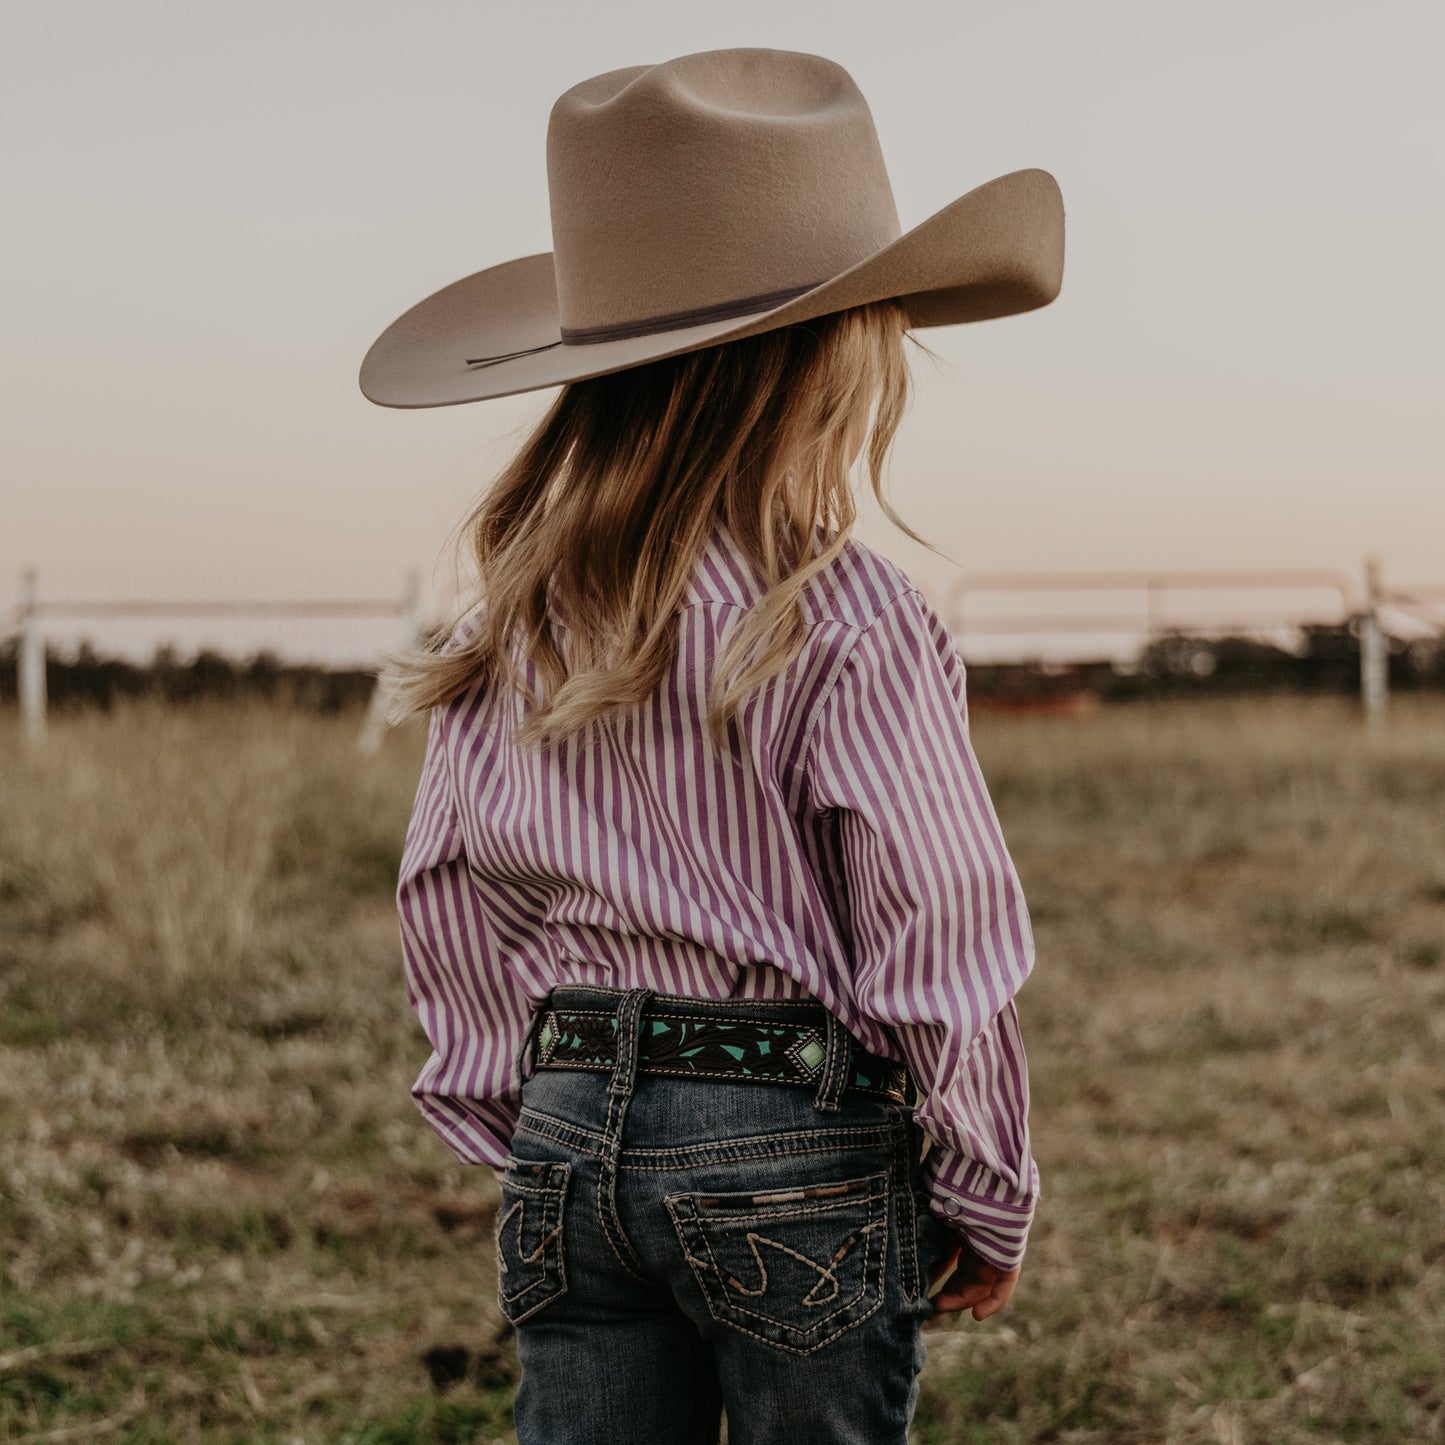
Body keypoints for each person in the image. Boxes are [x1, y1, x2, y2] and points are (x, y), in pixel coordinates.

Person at [361, 46, 1063, 1445]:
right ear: (834, 358)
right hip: (790, 1131)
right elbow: (936, 920)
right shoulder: (846, 613)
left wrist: (529, 1105)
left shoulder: (512, 616)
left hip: (565, 1123)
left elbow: (445, 884)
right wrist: (986, 1177)